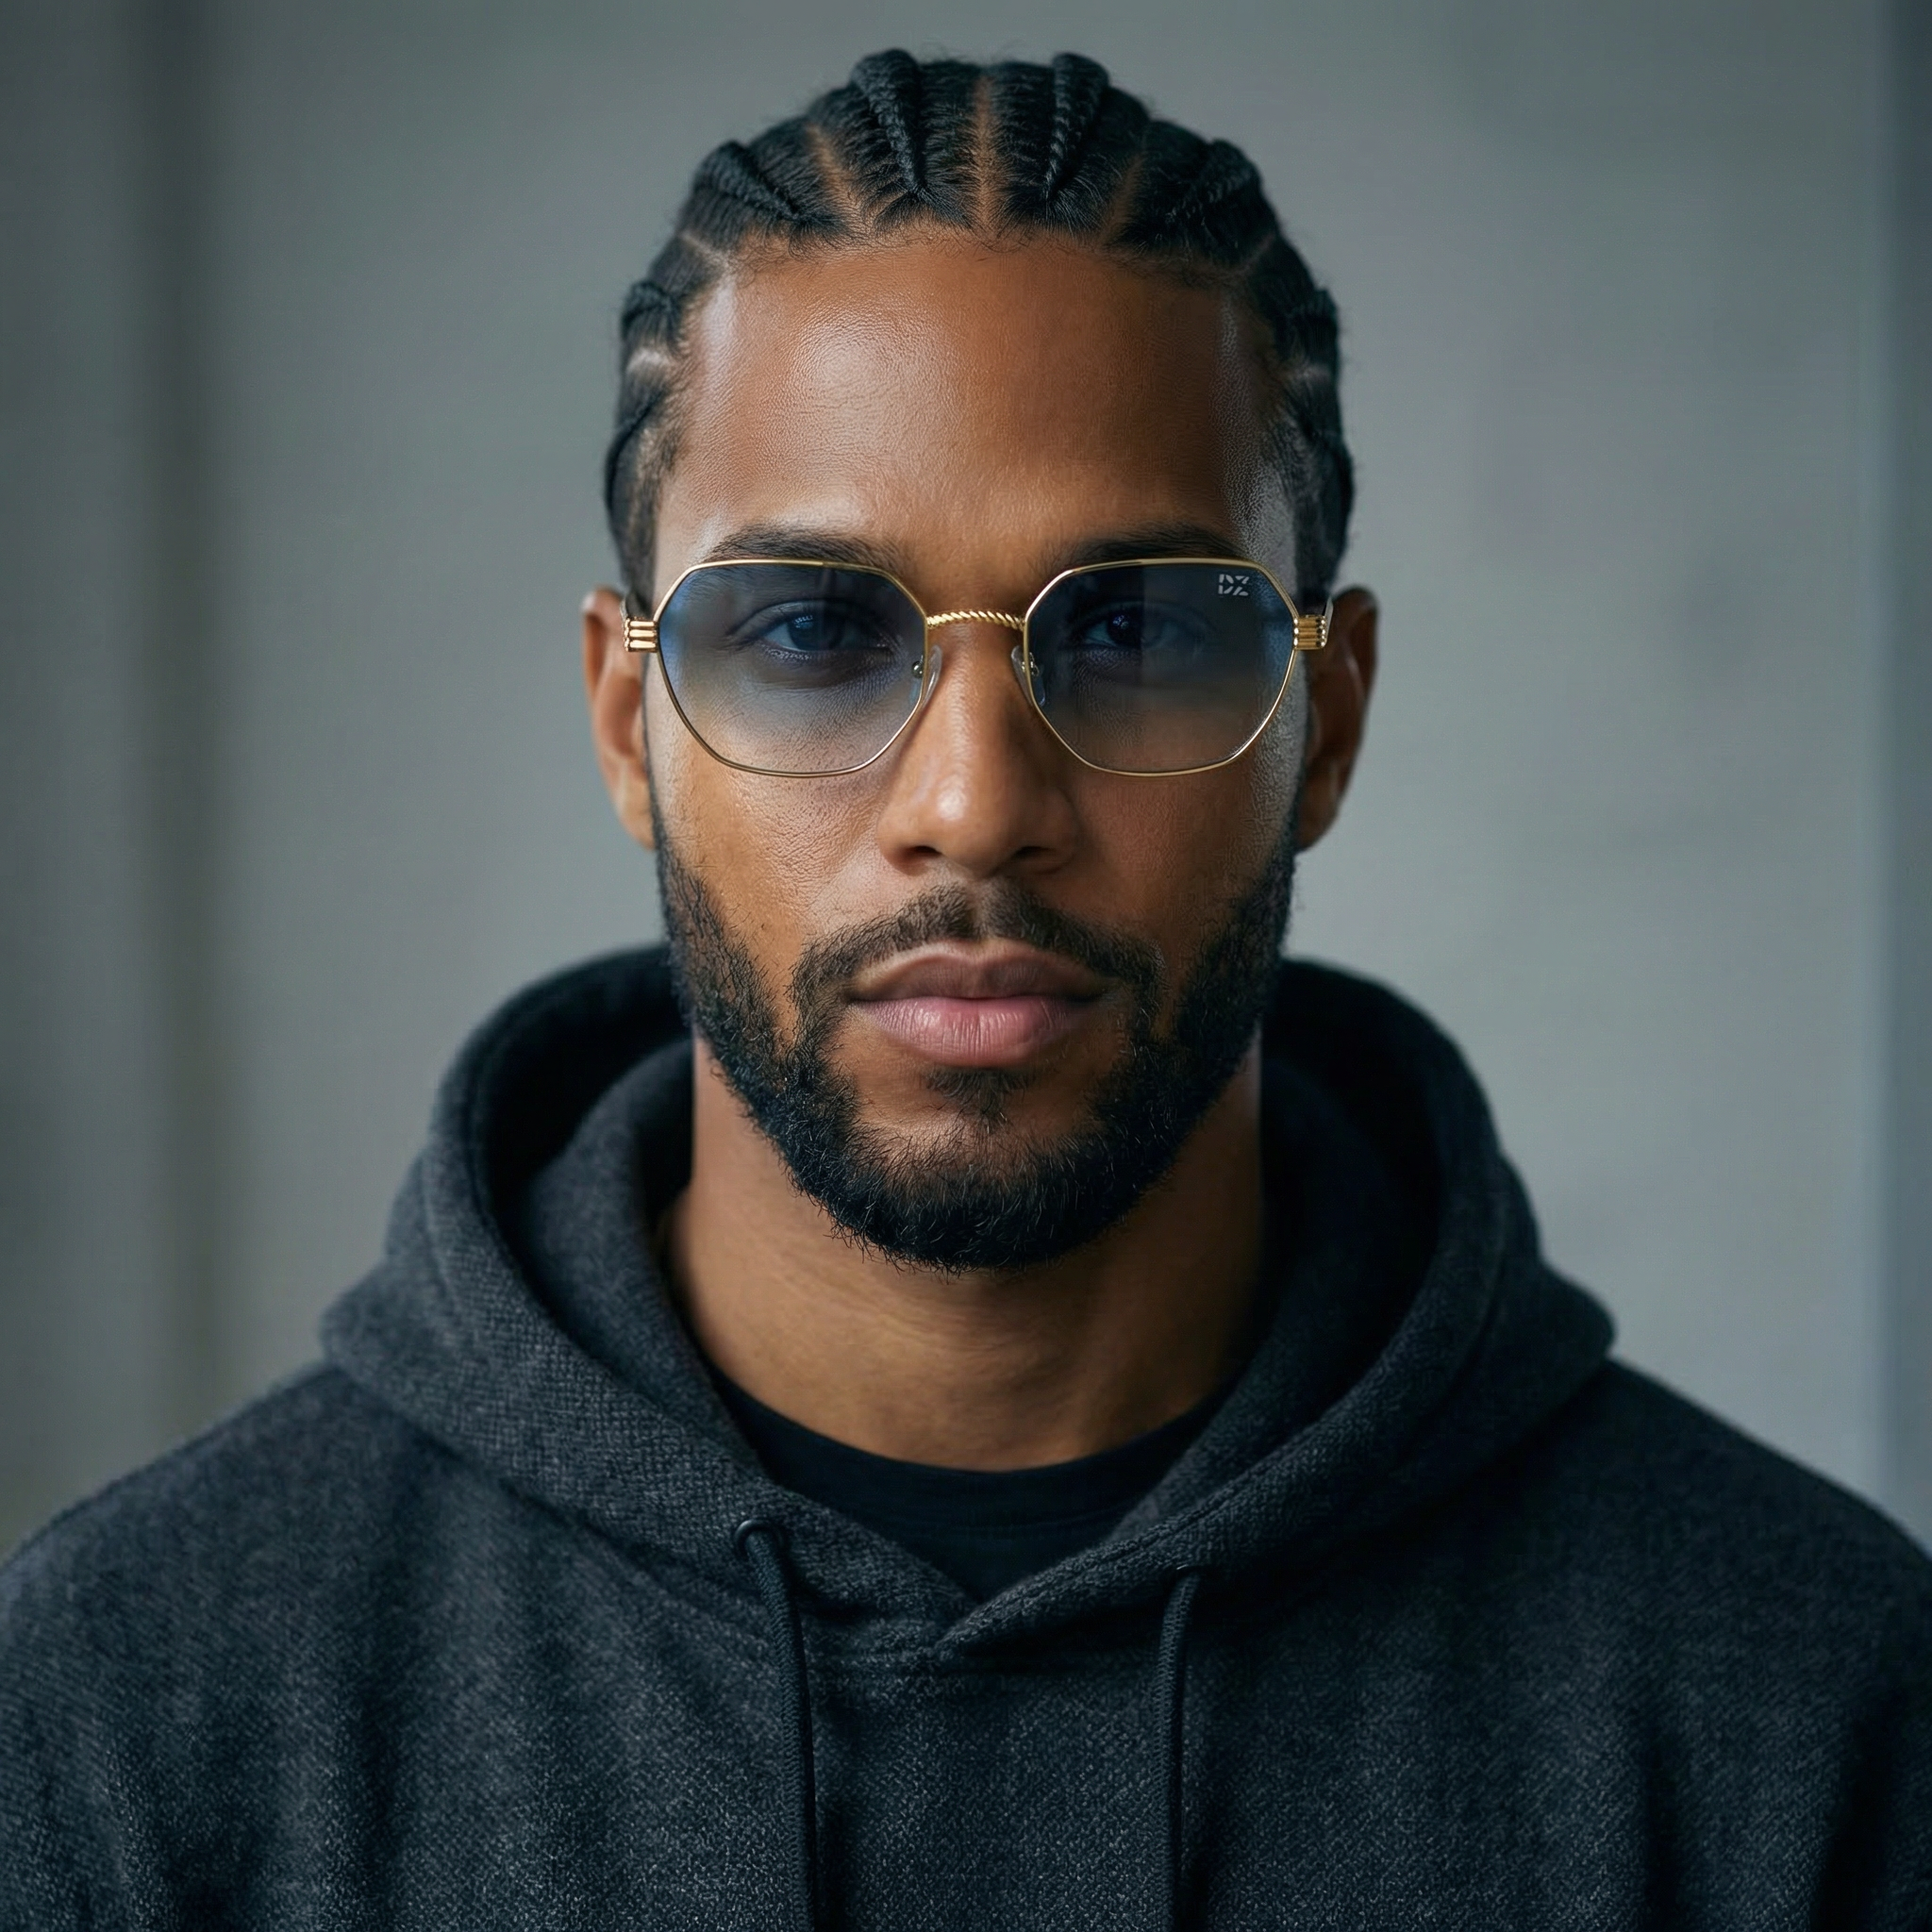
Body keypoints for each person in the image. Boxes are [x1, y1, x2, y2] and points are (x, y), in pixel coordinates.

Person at [2, 48, 1927, 1930]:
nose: (975, 804)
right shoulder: (132, 1708)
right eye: (810, 631)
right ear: (625, 722)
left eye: (1142, 627)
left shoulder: (1811, 1708)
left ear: (1325, 725)